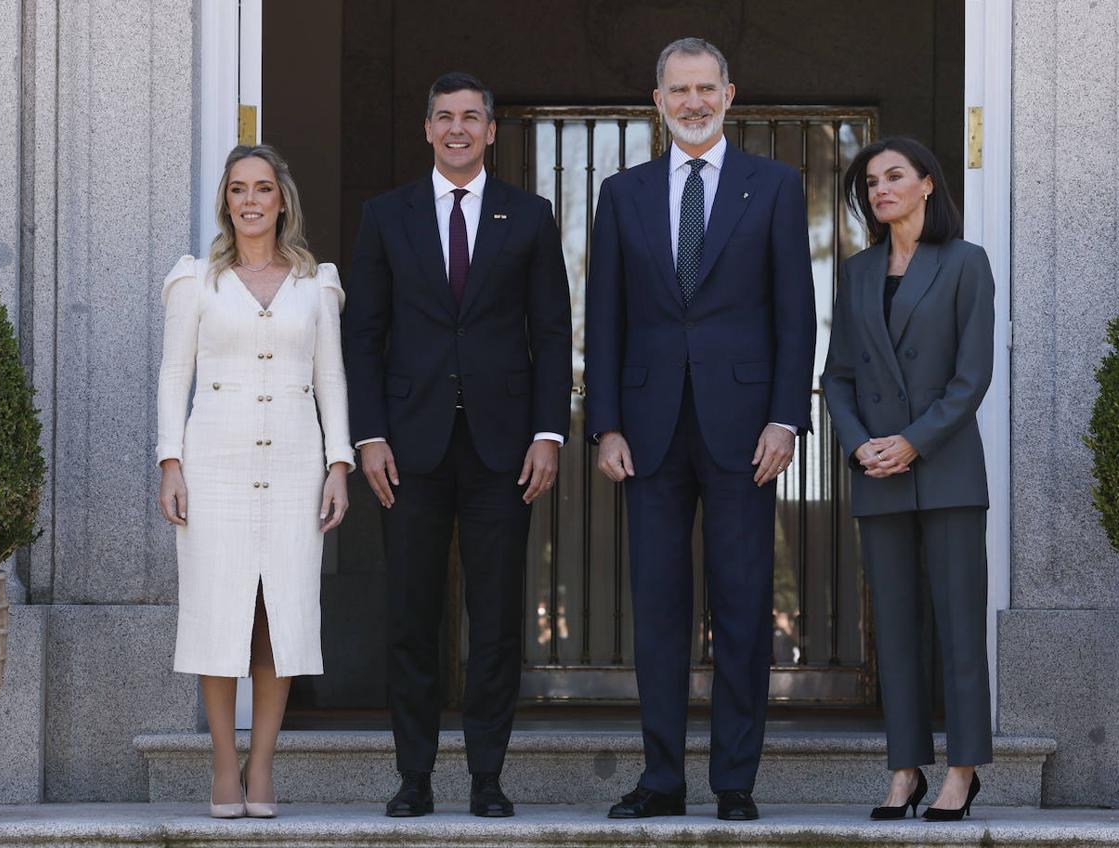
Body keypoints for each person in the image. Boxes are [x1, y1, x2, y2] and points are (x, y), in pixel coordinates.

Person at [585, 38, 816, 821]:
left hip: (747, 428)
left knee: (745, 603)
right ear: (657, 100)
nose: (692, 101)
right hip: (646, 431)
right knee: (656, 607)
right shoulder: (622, 193)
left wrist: (787, 416)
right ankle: (660, 779)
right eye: (678, 90)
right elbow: (605, 317)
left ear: (729, 94)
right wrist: (604, 424)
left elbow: (796, 315)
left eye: (705, 88)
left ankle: (733, 782)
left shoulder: (775, 186)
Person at [343, 72, 572, 818]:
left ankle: (486, 778)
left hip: (504, 450)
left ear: (493, 130)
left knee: (498, 617)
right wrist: (368, 435)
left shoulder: (530, 216)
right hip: (407, 449)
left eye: (472, 117)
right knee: (412, 616)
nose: (458, 129)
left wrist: (548, 432)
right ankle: (413, 777)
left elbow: (550, 330)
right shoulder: (386, 216)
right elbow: (365, 335)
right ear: (426, 127)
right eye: (444, 116)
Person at [156, 144, 354, 818]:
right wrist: (170, 461)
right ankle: (221, 764)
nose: (250, 200)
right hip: (215, 466)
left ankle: (262, 765)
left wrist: (339, 464)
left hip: (296, 465)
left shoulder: (314, 282)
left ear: (281, 199)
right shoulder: (195, 282)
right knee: (219, 613)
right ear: (225, 201)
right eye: (238, 189)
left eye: (262, 188)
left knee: (281, 617)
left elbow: (330, 377)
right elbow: (172, 375)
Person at [821, 136, 994, 821]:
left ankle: (962, 770)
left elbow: (971, 376)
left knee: (958, 625)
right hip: (878, 474)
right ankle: (903, 771)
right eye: (869, 182)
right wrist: (862, 444)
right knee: (892, 629)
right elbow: (836, 375)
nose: (879, 189)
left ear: (928, 184)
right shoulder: (858, 272)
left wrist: (913, 443)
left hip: (946, 468)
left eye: (894, 177)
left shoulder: (966, 264)